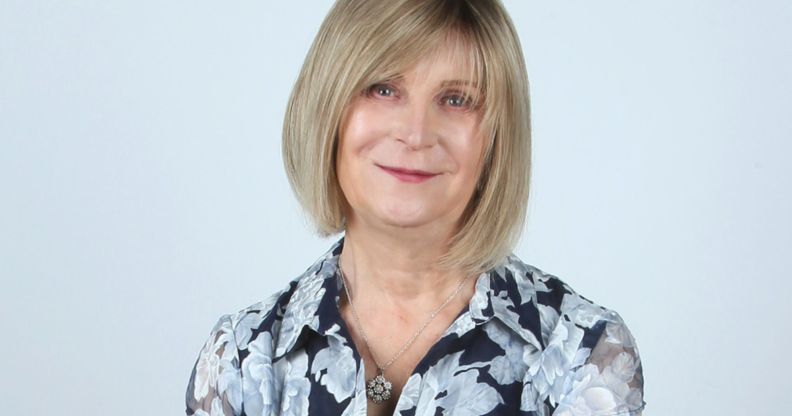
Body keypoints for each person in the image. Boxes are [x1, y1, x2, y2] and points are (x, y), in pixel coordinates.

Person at [185, 0, 646, 415]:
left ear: (495, 141)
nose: (416, 132)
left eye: (455, 99)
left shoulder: (583, 354)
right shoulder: (242, 360)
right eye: (384, 89)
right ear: (328, 110)